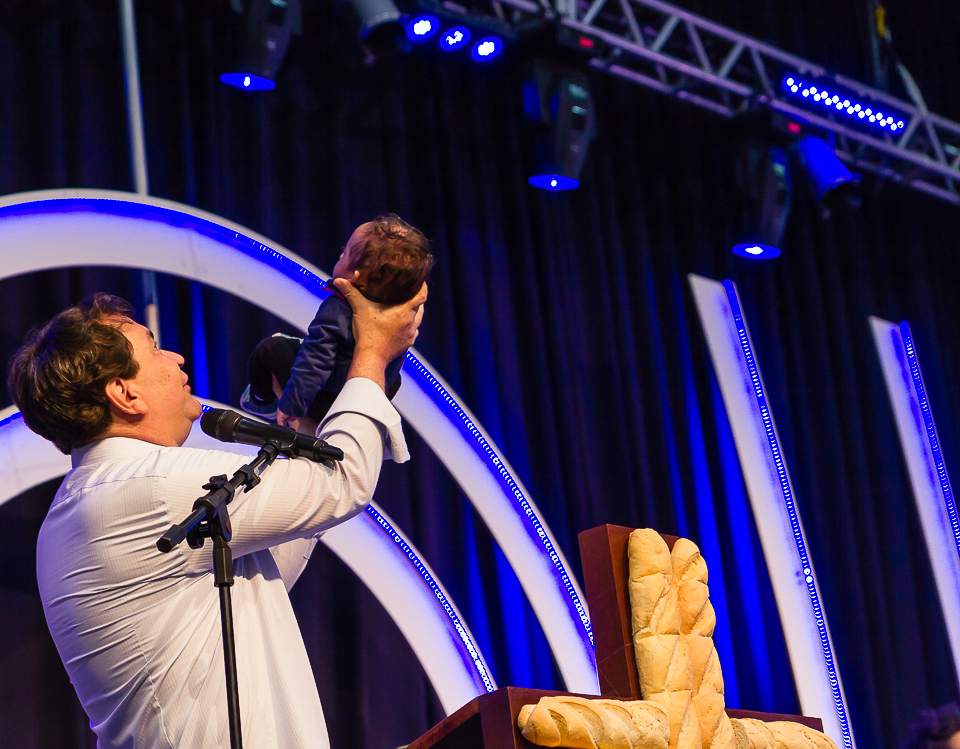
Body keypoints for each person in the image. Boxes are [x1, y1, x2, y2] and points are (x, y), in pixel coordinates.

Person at [6, 279, 426, 748]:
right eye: (157, 348)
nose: (177, 359)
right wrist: (372, 352)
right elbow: (341, 482)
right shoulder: (150, 487)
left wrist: (307, 424)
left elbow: (262, 582)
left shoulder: (91, 501)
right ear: (125, 394)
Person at [276, 213, 434, 432]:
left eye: (346, 253)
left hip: (330, 400)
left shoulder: (337, 309)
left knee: (271, 349)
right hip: (374, 396)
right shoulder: (402, 310)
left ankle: (259, 400)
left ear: (355, 276)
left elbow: (315, 360)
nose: (340, 254)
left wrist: (291, 406)